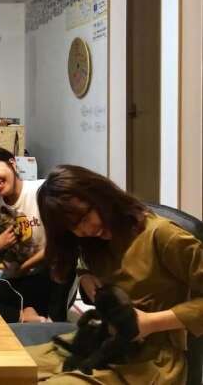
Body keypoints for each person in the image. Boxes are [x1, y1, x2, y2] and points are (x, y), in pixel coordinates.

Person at [29, 164, 203, 384]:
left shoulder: (163, 235)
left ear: (100, 196)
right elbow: (84, 265)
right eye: (73, 228)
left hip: (152, 360)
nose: (85, 231)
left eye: (84, 219)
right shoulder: (94, 242)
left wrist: (151, 322)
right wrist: (85, 277)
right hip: (101, 341)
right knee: (6, 368)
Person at [0, 147, 69, 322]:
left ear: (12, 164)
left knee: (60, 262)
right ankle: (25, 314)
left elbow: (58, 245)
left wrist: (23, 268)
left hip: (47, 271)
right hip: (15, 277)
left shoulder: (42, 191)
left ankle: (41, 316)